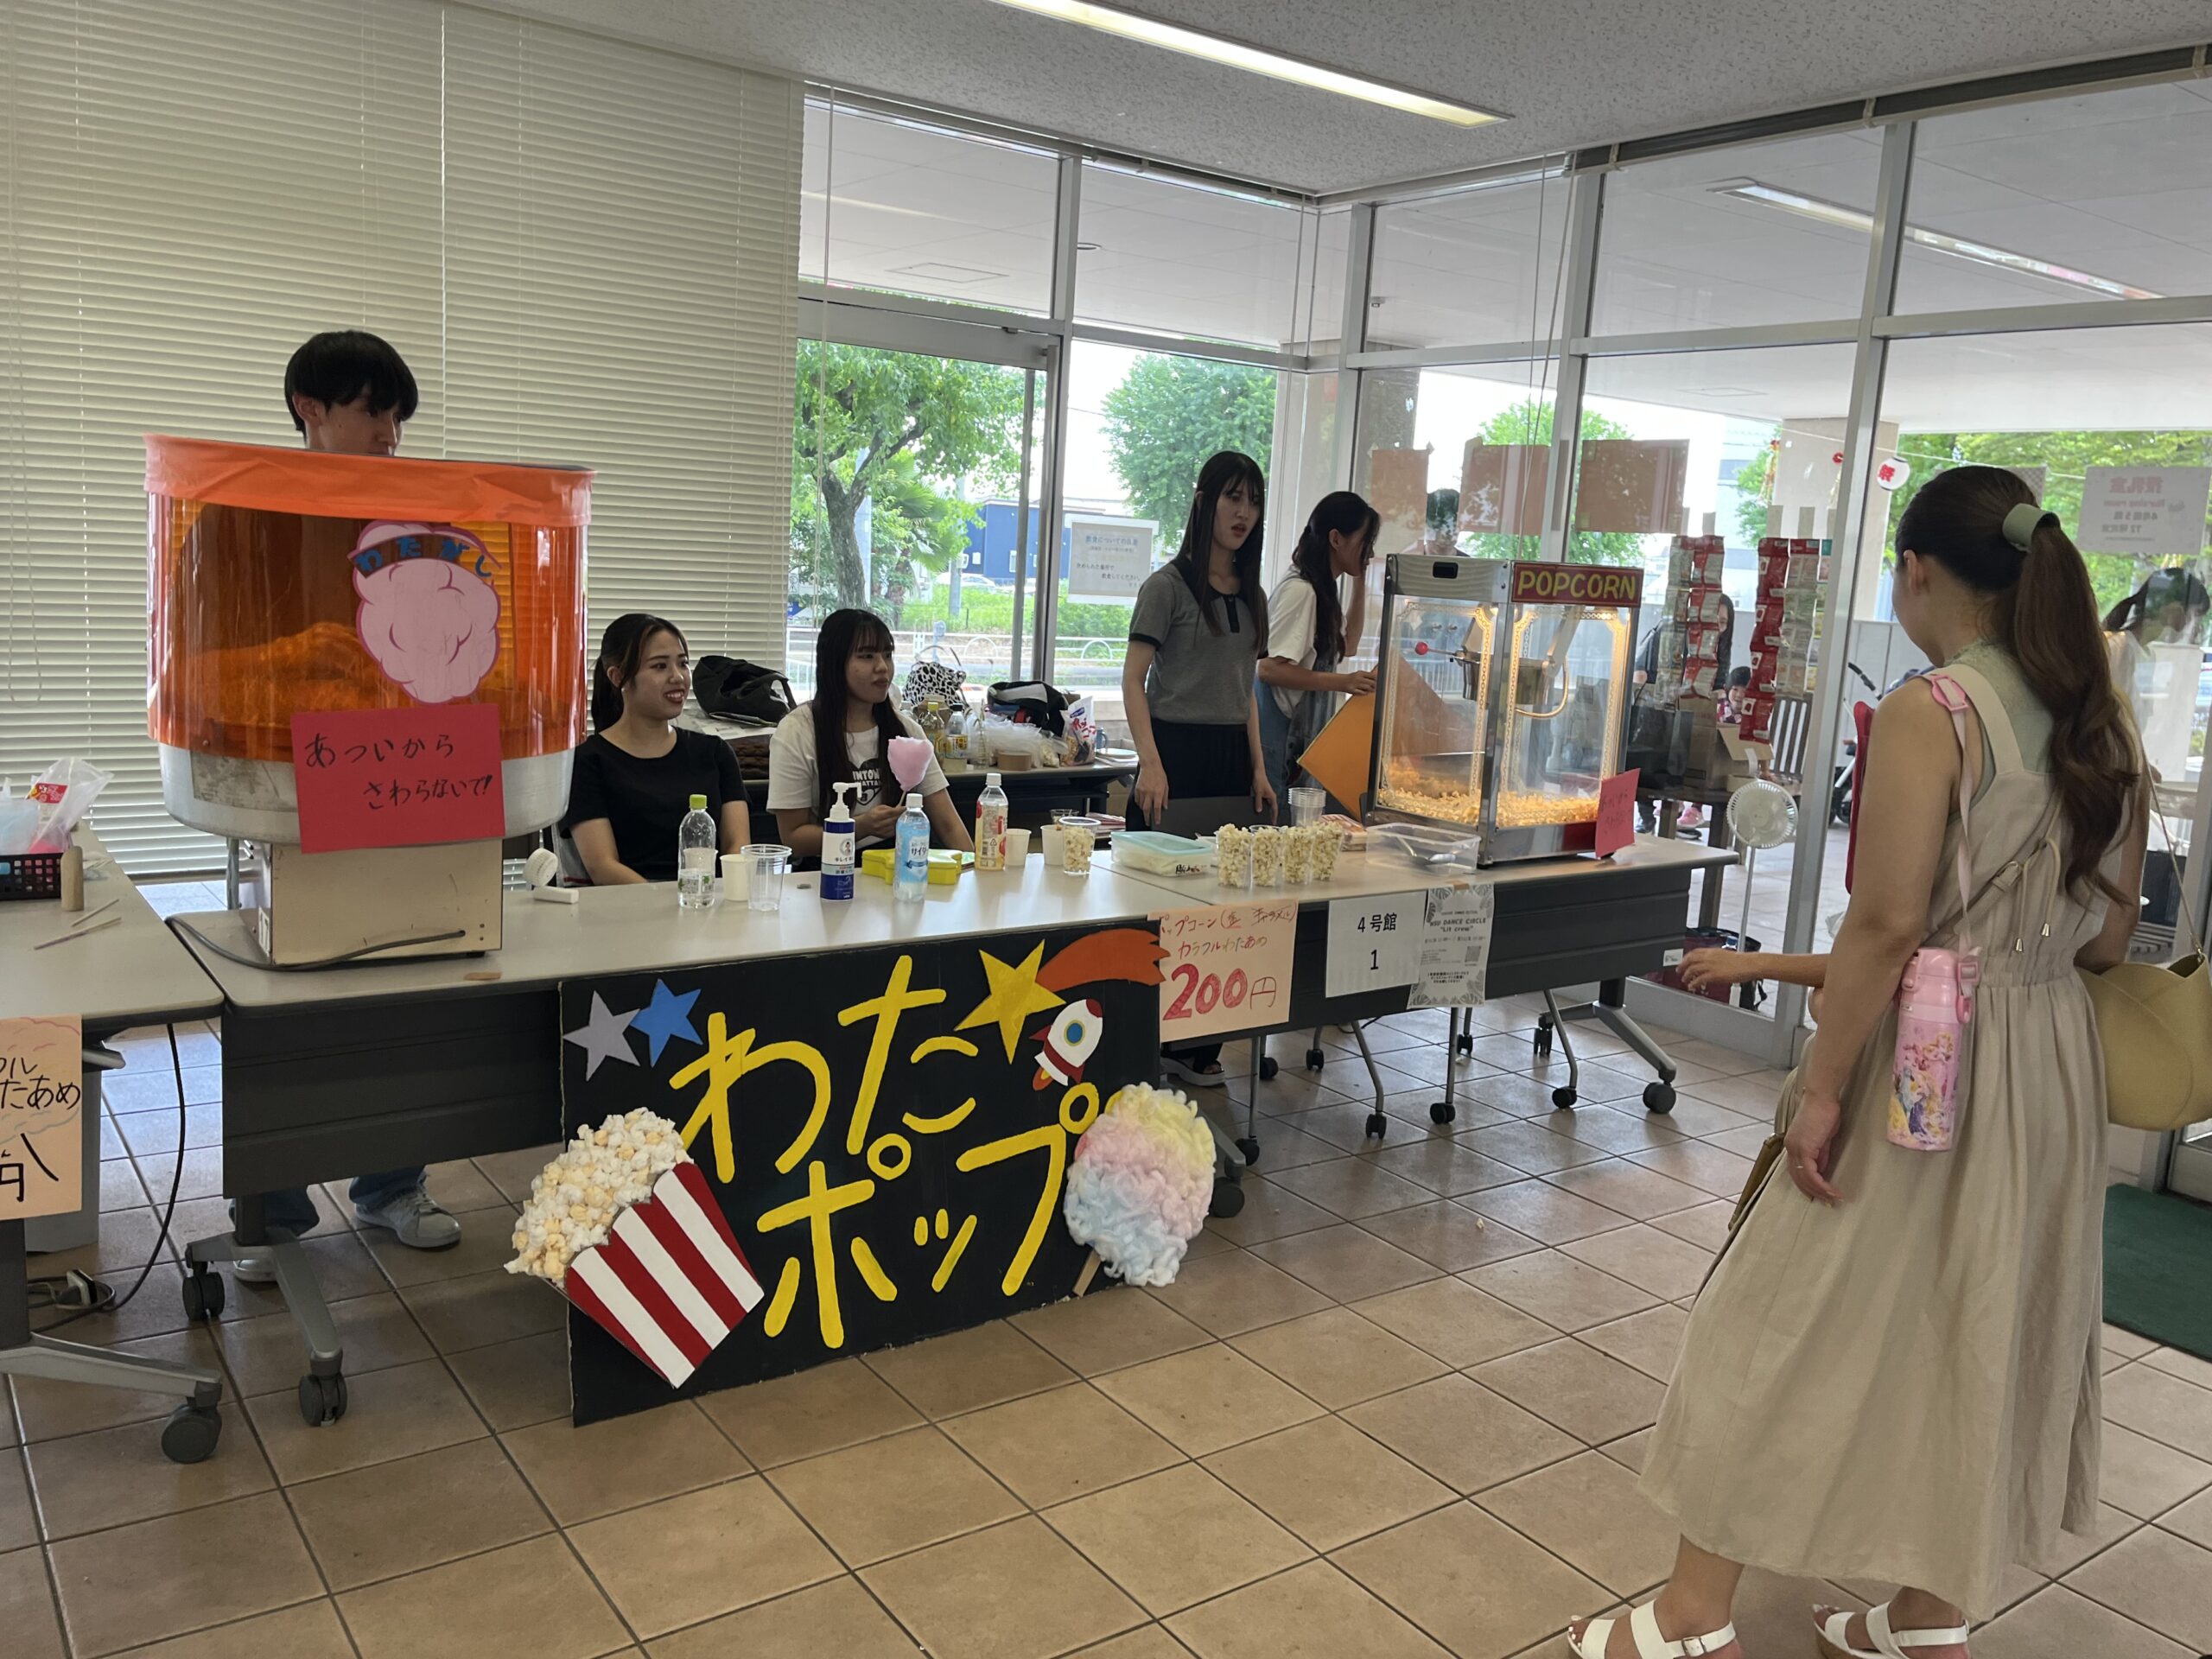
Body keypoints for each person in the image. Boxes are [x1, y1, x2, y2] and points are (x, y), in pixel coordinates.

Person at [1569, 466, 2146, 1659]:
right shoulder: (2101, 717)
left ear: (1918, 572)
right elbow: (2109, 930)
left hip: (1927, 1058)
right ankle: (1933, 1613)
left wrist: (1820, 1091)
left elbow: (1885, 926)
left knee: (1774, 1314)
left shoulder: (1937, 710)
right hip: (2048, 1060)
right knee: (1979, 1316)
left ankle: (1688, 1619)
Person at [239, 330, 457, 1276]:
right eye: (374, 412)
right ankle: (272, 1215)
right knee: (281, 1010)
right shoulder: (248, 510)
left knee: (401, 989)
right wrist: (288, 659)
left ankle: (392, 1185)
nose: (390, 435)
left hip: (394, 780)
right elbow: (209, 651)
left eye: (399, 418)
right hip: (281, 790)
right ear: (311, 409)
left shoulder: (417, 518)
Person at [1124, 449, 1276, 1088]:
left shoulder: (1254, 595)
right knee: (1159, 905)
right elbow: (1133, 680)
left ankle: (1196, 1045)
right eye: (1232, 497)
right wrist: (1150, 763)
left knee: (1222, 904)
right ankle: (1140, 1040)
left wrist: (1259, 769)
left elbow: (1246, 692)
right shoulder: (1166, 587)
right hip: (1173, 754)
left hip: (1230, 758)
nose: (1243, 513)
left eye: (1253, 501)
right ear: (1204, 501)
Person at [560, 614, 751, 883]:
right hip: (628, 905)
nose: (678, 677)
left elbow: (737, 848)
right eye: (660, 666)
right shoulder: (588, 761)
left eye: (683, 663)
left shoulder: (715, 753)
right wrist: (671, 904)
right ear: (618, 677)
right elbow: (602, 866)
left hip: (708, 900)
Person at [769, 607, 971, 860]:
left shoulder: (907, 731)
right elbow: (793, 838)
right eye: (867, 656)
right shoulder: (797, 731)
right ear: (835, 663)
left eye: (887, 655)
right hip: (826, 870)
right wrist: (861, 827)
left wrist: (976, 869)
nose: (882, 667)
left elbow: (949, 824)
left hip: (898, 867)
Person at [1255, 491, 1377, 802]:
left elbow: (1349, 644)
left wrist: (1360, 579)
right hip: (1277, 745)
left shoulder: (1323, 589)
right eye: (1366, 541)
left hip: (1295, 745)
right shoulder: (1301, 591)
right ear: (1336, 539)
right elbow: (1268, 669)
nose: (1371, 551)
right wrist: (1343, 682)